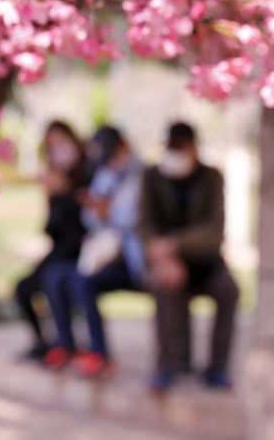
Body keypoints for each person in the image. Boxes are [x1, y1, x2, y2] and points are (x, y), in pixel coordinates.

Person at [139, 121, 238, 392]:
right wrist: (164, 257)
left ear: (194, 148)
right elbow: (145, 225)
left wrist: (174, 244)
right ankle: (166, 367)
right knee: (165, 286)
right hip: (166, 261)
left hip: (206, 260)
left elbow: (214, 230)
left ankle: (218, 368)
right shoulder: (152, 176)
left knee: (228, 290)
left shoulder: (211, 177)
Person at [43, 125, 145, 377]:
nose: (109, 163)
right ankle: (66, 344)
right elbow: (89, 217)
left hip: (134, 259)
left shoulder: (142, 175)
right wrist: (98, 210)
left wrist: (108, 211)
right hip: (104, 254)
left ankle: (100, 353)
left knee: (84, 283)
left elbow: (135, 219)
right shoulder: (106, 172)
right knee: (55, 276)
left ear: (125, 146)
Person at [14, 121, 88, 361]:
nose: (57, 149)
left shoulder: (86, 174)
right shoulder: (53, 180)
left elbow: (86, 220)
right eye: (52, 145)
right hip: (60, 249)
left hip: (81, 249)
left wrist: (67, 192)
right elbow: (52, 228)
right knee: (24, 288)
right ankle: (44, 343)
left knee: (54, 280)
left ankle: (65, 343)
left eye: (61, 142)